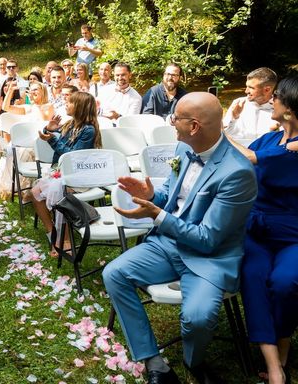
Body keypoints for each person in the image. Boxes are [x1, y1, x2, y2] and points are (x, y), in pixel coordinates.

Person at [102, 92, 257, 384]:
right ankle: (153, 361)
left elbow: (208, 238)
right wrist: (151, 196)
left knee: (197, 319)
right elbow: (172, 199)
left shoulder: (238, 172)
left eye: (176, 118)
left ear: (194, 126)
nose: (172, 123)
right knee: (115, 273)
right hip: (167, 245)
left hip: (209, 258)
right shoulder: (183, 147)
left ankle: (193, 361)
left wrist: (156, 215)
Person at [228, 77, 298, 384]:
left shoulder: (292, 149)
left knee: (284, 282)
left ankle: (283, 340)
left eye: (278, 98)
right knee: (254, 277)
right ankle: (273, 366)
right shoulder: (270, 140)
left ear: (290, 109)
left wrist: (216, 128)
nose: (272, 101)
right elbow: (239, 155)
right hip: (256, 229)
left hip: (293, 233)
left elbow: (250, 157)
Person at [30, 92, 102, 256]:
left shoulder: (88, 130)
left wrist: (52, 139)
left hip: (78, 175)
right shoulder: (69, 124)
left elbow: (71, 156)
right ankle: (53, 234)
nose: (66, 105)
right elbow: (56, 140)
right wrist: (49, 130)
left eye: (70, 103)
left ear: (80, 107)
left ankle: (67, 240)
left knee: (56, 194)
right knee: (34, 193)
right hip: (62, 172)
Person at [224, 67, 278, 140]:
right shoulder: (238, 104)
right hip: (239, 149)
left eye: (251, 88)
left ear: (267, 89)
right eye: (246, 86)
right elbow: (225, 135)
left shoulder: (280, 109)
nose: (246, 91)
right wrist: (234, 117)